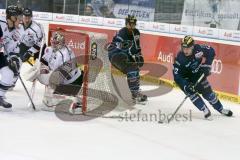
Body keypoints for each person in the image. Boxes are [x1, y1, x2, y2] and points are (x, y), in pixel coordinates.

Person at [173, 35, 233, 119]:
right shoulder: (180, 59)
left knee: (209, 94)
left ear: (192, 47)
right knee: (192, 94)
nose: (185, 50)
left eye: (188, 48)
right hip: (185, 79)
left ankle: (221, 109)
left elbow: (211, 51)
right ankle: (204, 109)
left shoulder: (198, 49)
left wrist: (207, 65)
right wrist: (186, 86)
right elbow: (177, 77)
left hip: (197, 74)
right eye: (183, 48)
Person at [36, 32, 84, 114]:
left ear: (62, 42)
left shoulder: (66, 53)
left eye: (56, 43)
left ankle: (73, 103)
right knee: (42, 74)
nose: (54, 45)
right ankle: (53, 100)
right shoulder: (49, 49)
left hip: (74, 80)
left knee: (52, 80)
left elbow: (65, 73)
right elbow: (44, 62)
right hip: (63, 77)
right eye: (52, 42)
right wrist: (42, 68)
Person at [108, 15, 147, 103]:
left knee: (135, 68)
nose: (132, 26)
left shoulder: (136, 32)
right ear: (126, 24)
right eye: (130, 24)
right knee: (132, 68)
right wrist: (127, 48)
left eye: (134, 24)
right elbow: (118, 46)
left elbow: (136, 47)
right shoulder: (122, 33)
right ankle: (135, 93)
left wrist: (139, 55)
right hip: (115, 54)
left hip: (125, 55)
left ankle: (135, 92)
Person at [0, 5, 22, 109]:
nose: (20, 19)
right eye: (17, 16)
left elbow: (11, 49)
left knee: (9, 73)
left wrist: (13, 59)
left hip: (0, 54)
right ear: (11, 17)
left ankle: (0, 96)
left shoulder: (17, 32)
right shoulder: (0, 23)